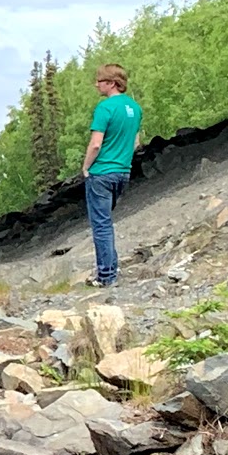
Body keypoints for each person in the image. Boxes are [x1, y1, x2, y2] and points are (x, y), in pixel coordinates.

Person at [82, 63, 142, 288]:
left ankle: (106, 275)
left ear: (112, 83)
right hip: (123, 172)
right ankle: (111, 268)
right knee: (107, 222)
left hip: (101, 173)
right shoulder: (135, 108)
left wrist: (86, 167)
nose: (97, 84)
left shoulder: (104, 108)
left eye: (100, 80)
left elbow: (96, 144)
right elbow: (136, 142)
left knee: (101, 225)